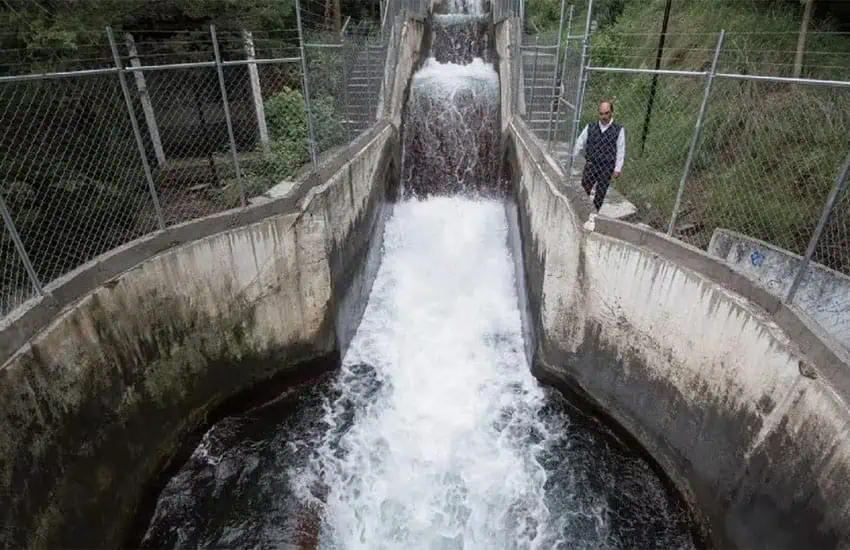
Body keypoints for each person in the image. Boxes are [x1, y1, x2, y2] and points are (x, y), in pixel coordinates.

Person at [573, 101, 625, 210]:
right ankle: (580, 212)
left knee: (600, 195)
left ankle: (594, 216)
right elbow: (580, 142)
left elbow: (621, 149)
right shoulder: (591, 126)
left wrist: (617, 168)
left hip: (606, 167)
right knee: (584, 190)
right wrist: (572, 157)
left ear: (611, 113)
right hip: (591, 164)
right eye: (601, 114)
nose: (604, 116)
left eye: (606, 113)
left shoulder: (618, 129)